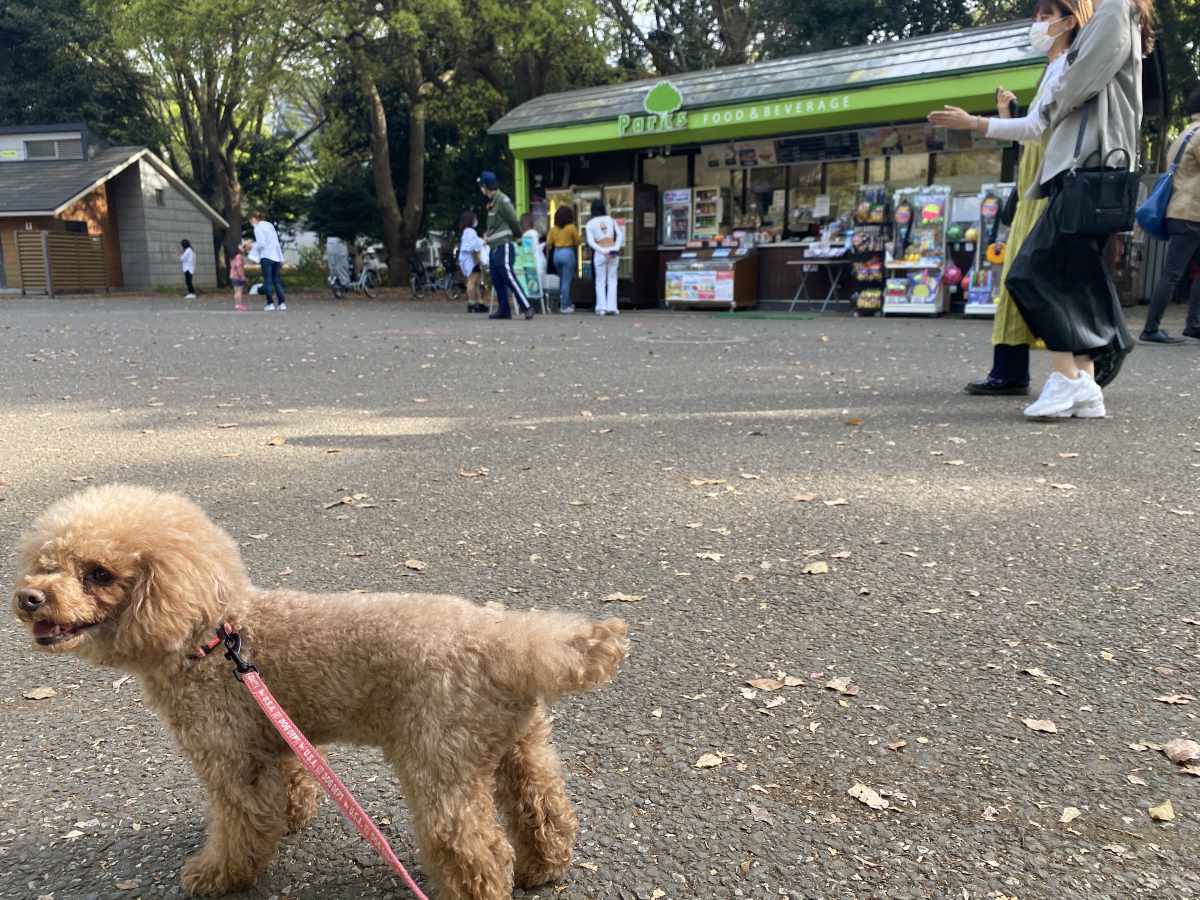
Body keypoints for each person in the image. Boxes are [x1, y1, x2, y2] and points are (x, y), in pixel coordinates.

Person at [929, 0, 1094, 396]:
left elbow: (1038, 128)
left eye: (1046, 17)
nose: (1037, 24)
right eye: (1036, 16)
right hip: (1036, 186)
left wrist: (977, 123)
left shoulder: (1070, 66)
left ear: (1070, 21)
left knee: (1035, 277)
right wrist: (1007, 114)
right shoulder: (1054, 67)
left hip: (1050, 187)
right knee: (1027, 278)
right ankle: (1044, 370)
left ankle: (1073, 371)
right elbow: (1034, 129)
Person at [1000, 0, 1154, 419]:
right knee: (1073, 279)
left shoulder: (1113, 10)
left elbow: (1080, 82)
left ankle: (1067, 377)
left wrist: (1049, 104)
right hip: (1093, 167)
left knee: (1030, 274)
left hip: (1085, 166)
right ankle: (1084, 383)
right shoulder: (1120, 12)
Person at [1140, 87, 1200, 343]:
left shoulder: (1186, 133)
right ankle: (1151, 328)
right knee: (1172, 273)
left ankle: (1193, 325)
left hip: (1180, 210)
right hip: (1191, 213)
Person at [478, 170, 533, 321]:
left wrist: (518, 236)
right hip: (494, 247)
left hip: (504, 245)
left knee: (508, 276)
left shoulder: (502, 200)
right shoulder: (491, 203)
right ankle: (504, 310)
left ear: (485, 186)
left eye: (481, 186)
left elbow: (514, 220)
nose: (481, 189)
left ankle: (527, 306)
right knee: (496, 278)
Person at [585, 199, 624, 316]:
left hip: (600, 253)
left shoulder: (590, 224)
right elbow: (620, 235)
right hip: (613, 251)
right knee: (612, 280)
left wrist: (602, 250)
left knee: (600, 281)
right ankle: (612, 307)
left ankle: (601, 307)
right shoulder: (611, 220)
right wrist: (615, 248)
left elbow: (591, 242)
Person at [249, 211, 286, 311]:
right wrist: (281, 258)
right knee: (277, 280)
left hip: (266, 256)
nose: (250, 222)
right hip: (276, 257)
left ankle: (270, 304)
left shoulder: (257, 228)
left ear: (254, 219)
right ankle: (282, 303)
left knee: (267, 281)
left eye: (251, 220)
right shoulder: (270, 226)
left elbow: (261, 244)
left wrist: (252, 245)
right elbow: (276, 242)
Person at [547, 205, 581, 313]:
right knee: (567, 281)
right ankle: (565, 306)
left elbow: (548, 243)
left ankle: (567, 303)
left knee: (562, 280)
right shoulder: (571, 227)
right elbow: (578, 241)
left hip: (556, 254)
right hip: (568, 253)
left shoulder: (553, 229)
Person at [458, 210, 487, 313]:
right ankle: (472, 303)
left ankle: (479, 302)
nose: (476, 221)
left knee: (477, 282)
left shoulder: (467, 232)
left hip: (470, 259)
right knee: (472, 281)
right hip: (471, 259)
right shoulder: (470, 231)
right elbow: (474, 246)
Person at [229, 242, 248, 311]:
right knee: (239, 291)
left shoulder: (233, 257)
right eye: (243, 247)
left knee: (236, 291)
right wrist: (242, 276)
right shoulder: (239, 256)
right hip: (238, 276)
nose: (244, 249)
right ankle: (239, 304)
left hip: (233, 276)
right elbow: (238, 266)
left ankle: (237, 304)